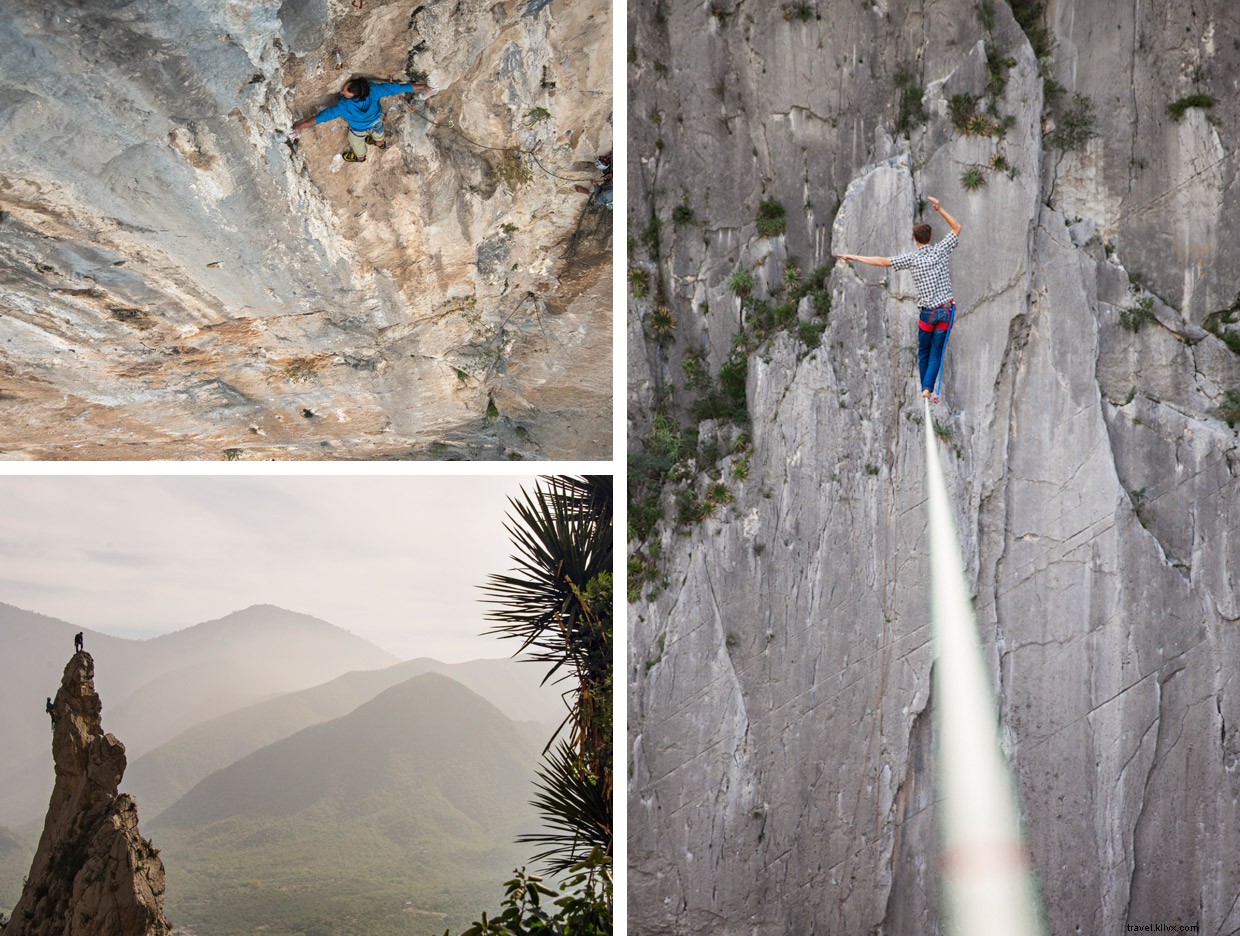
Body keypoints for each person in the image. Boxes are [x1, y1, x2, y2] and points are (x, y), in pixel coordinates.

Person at [836, 196, 963, 402]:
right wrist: (940, 209)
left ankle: (926, 389)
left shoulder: (911, 259)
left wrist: (855, 257)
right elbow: (957, 227)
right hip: (946, 310)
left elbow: (882, 261)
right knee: (936, 352)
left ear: (915, 239)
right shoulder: (941, 250)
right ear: (929, 237)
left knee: (923, 350)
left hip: (928, 314)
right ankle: (927, 389)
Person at [292, 76, 436, 162]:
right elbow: (397, 88)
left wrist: (300, 127)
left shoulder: (344, 106)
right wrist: (423, 86)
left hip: (358, 130)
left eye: (345, 92)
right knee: (379, 134)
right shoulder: (373, 90)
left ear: (355, 96)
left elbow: (321, 117)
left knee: (357, 144)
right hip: (377, 122)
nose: (341, 92)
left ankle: (360, 158)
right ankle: (379, 143)